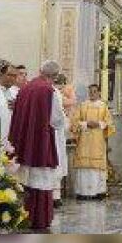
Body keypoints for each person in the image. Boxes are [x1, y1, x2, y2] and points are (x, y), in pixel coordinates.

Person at [9, 60, 65, 231]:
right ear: (54, 76)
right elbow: (57, 120)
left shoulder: (25, 88)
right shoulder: (50, 91)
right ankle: (39, 218)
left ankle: (24, 217)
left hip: (24, 143)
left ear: (40, 71)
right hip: (41, 143)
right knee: (41, 179)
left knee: (26, 179)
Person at [71, 84, 115, 200]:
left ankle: (98, 192)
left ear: (99, 93)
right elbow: (75, 122)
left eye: (95, 91)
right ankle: (82, 192)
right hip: (84, 141)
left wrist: (99, 124)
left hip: (97, 140)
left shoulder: (103, 106)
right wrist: (86, 124)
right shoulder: (83, 105)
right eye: (90, 91)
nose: (92, 94)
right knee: (84, 167)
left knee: (96, 167)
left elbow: (109, 123)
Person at [52, 75, 70, 208]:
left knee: (56, 165)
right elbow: (59, 118)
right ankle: (54, 197)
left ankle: (55, 196)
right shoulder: (54, 93)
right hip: (54, 134)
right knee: (55, 164)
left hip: (56, 135)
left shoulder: (54, 92)